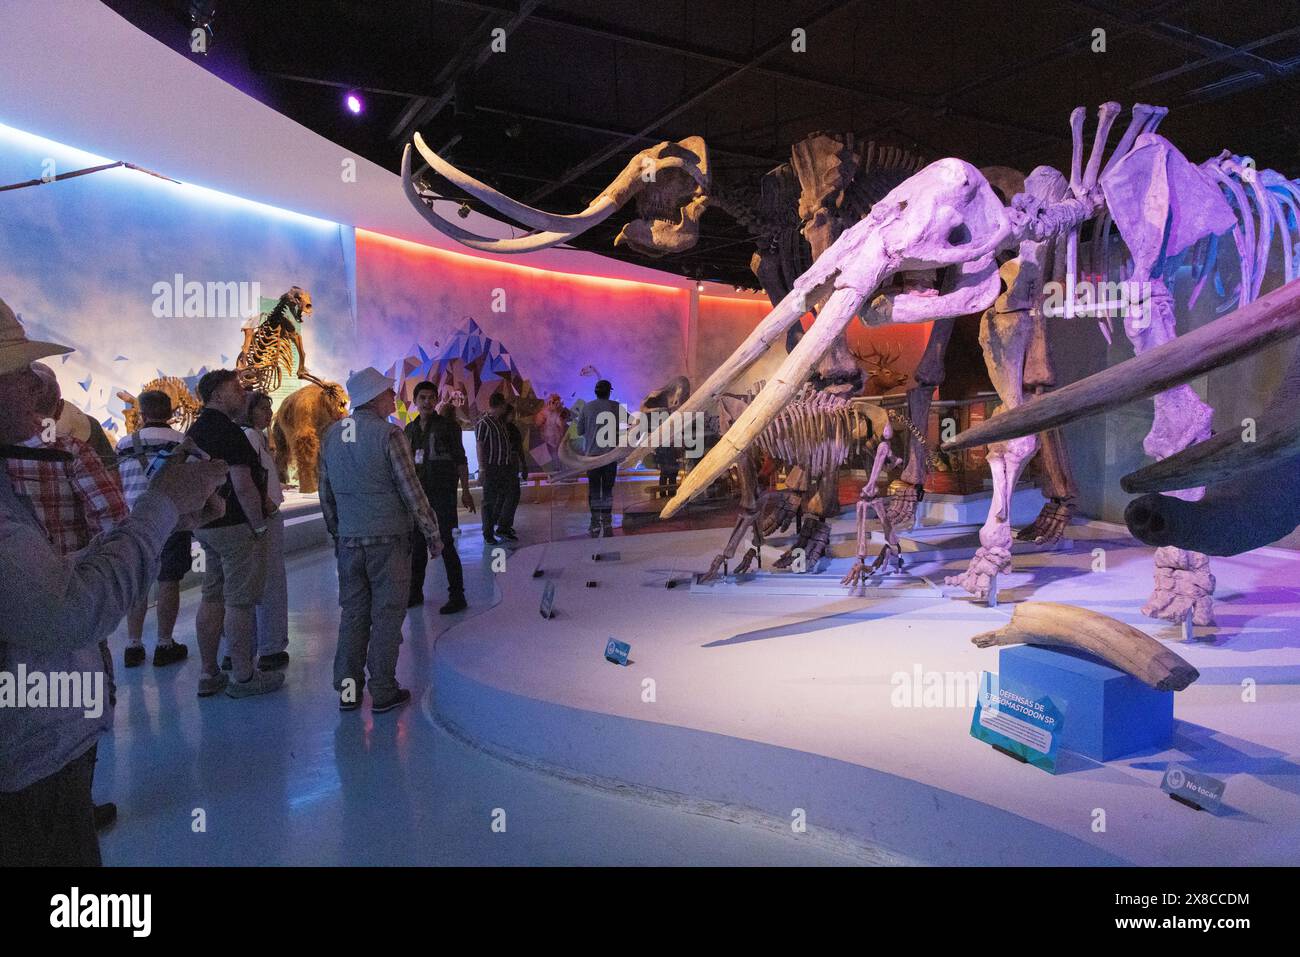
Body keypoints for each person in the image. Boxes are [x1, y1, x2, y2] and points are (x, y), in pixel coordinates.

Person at [0, 298, 229, 865]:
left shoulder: (105, 446)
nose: (31, 385)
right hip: (29, 771)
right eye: (16, 370)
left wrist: (164, 516)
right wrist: (164, 507)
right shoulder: (73, 451)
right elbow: (64, 610)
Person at [318, 367, 442, 713]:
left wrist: (339, 532)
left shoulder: (331, 435)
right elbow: (411, 491)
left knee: (353, 614)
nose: (394, 397)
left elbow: (325, 493)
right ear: (374, 397)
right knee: (387, 615)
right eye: (389, 393)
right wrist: (432, 534)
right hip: (388, 541)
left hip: (350, 542)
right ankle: (384, 690)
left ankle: (347, 690)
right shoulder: (390, 435)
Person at [187, 369, 283, 699]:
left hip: (208, 526)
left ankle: (208, 672)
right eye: (235, 388)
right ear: (216, 395)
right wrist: (258, 525)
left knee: (212, 595)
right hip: (235, 527)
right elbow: (242, 484)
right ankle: (243, 676)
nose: (242, 393)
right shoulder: (230, 433)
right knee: (240, 602)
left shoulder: (196, 430)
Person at [116, 389, 193, 668]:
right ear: (172, 413)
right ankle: (164, 643)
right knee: (169, 580)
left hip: (134, 522)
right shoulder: (183, 441)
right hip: (171, 519)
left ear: (142, 414)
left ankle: (133, 645)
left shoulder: (124, 443)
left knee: (138, 584)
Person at [404, 380, 474, 614]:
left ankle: (458, 595)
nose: (426, 401)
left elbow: (461, 460)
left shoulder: (448, 427)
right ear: (415, 401)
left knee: (446, 544)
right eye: (422, 397)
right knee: (417, 546)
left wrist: (465, 491)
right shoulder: (410, 430)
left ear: (436, 401)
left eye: (430, 398)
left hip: (442, 496)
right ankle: (415, 592)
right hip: (418, 498)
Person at [238, 391, 289, 669]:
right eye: (261, 408)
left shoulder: (256, 437)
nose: (268, 414)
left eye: (269, 408)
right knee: (270, 582)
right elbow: (250, 478)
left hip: (262, 515)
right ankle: (270, 647)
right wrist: (266, 507)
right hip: (263, 518)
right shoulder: (250, 437)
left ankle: (257, 645)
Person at [577, 378, 620, 537]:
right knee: (607, 489)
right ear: (609, 392)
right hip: (610, 456)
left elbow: (580, 431)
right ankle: (607, 520)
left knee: (594, 489)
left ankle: (595, 521)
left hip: (592, 458)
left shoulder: (586, 407)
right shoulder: (615, 407)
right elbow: (634, 422)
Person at [475, 392, 514, 546]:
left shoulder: (499, 422)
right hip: (492, 467)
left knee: (501, 497)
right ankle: (488, 533)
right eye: (504, 404)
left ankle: (496, 527)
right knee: (489, 501)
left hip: (503, 466)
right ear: (500, 405)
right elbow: (480, 445)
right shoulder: (484, 423)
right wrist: (482, 468)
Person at [495, 402, 526, 542]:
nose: (513, 416)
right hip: (506, 465)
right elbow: (517, 448)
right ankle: (503, 526)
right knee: (511, 494)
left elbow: (519, 448)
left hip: (509, 465)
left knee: (508, 495)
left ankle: (504, 524)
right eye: (512, 413)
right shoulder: (503, 428)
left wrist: (523, 465)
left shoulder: (509, 428)